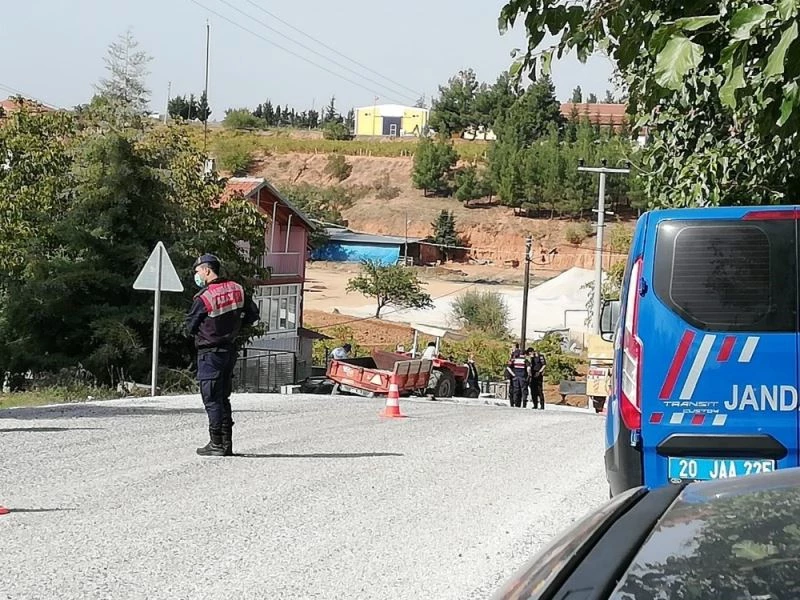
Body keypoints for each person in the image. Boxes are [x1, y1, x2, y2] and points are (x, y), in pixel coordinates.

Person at [185, 254, 259, 457]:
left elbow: (190, 326)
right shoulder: (237, 289)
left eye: (197, 271)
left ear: (207, 270)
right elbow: (253, 314)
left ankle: (216, 443)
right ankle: (226, 443)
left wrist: (207, 332)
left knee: (211, 398)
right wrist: (234, 328)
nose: (196, 275)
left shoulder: (204, 297)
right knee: (223, 397)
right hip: (229, 350)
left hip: (210, 353)